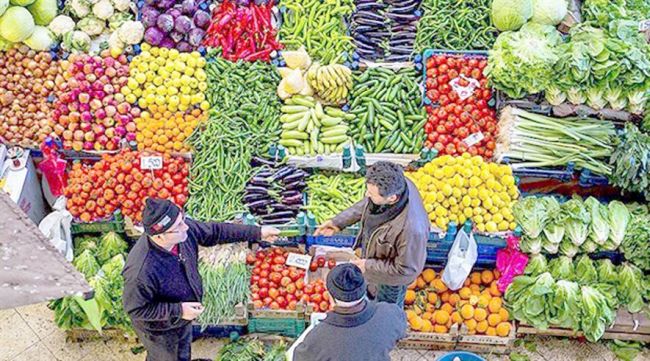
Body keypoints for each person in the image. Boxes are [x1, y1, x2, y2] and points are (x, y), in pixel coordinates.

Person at [122, 198, 280, 361]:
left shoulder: (181, 233)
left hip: (182, 316)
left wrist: (258, 232)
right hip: (160, 329)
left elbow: (215, 231)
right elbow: (135, 310)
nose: (186, 227)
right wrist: (179, 310)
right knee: (167, 357)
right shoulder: (140, 270)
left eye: (182, 219)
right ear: (160, 236)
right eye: (178, 227)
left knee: (183, 349)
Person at [315, 161, 430, 307]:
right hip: (377, 260)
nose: (366, 195)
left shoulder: (412, 230)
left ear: (392, 198)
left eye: (371, 193)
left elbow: (406, 271)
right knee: (370, 295)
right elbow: (368, 203)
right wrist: (338, 222)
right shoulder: (397, 184)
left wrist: (368, 266)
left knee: (385, 308)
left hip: (391, 280)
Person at [289, 263, 407, 361]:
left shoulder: (317, 339)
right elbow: (400, 331)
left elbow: (297, 357)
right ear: (364, 288)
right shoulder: (390, 314)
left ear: (330, 295)